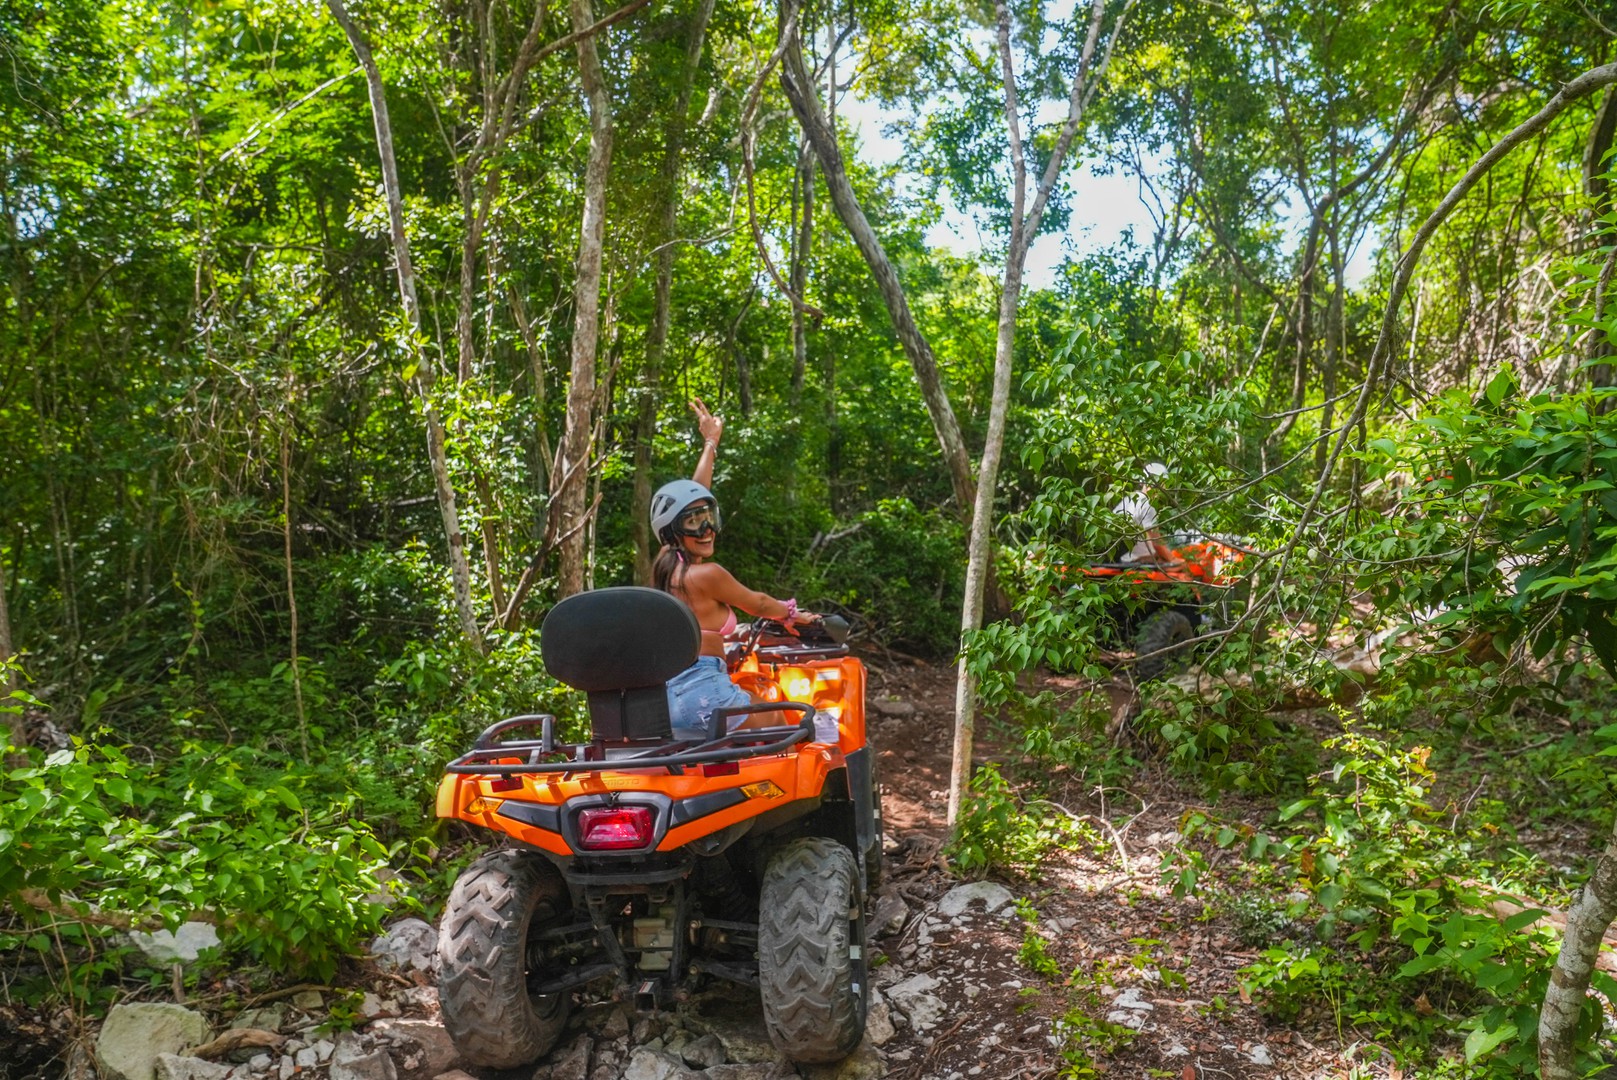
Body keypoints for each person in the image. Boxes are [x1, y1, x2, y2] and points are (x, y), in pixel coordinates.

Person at [652, 399, 814, 739]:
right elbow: (759, 603)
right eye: (694, 523)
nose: (706, 529)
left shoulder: (667, 568)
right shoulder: (707, 575)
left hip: (665, 701)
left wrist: (711, 442)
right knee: (791, 726)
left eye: (708, 518)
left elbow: (691, 498)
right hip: (706, 693)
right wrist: (793, 615)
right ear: (675, 531)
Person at [1114, 462, 1182, 566]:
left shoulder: (1129, 499)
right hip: (1136, 561)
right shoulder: (1148, 504)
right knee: (1182, 567)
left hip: (1123, 558)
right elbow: (1157, 544)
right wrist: (1174, 561)